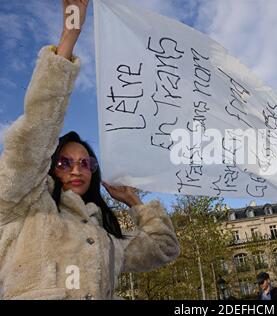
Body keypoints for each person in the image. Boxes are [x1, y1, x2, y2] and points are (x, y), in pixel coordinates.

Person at [0, 0, 179, 299]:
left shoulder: (105, 238)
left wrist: (135, 202)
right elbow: (34, 137)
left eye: (85, 164)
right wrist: (69, 36)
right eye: (65, 162)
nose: (76, 169)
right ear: (48, 165)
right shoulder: (23, 206)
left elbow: (164, 248)